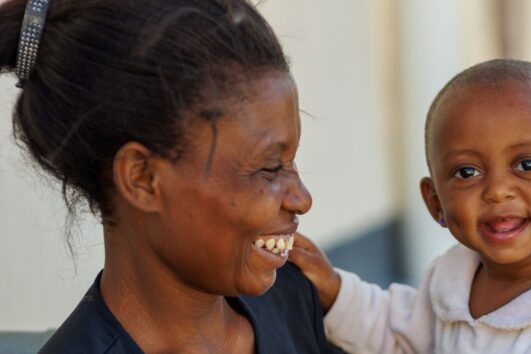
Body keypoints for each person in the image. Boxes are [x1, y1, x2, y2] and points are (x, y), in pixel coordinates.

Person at [1, 0, 341, 352]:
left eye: (291, 160)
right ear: (142, 178)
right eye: (269, 167)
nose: (302, 199)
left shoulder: (291, 298)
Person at [291, 59, 531, 353]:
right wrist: (334, 289)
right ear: (435, 203)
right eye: (466, 172)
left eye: (527, 165)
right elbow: (394, 333)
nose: (498, 191)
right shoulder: (448, 288)